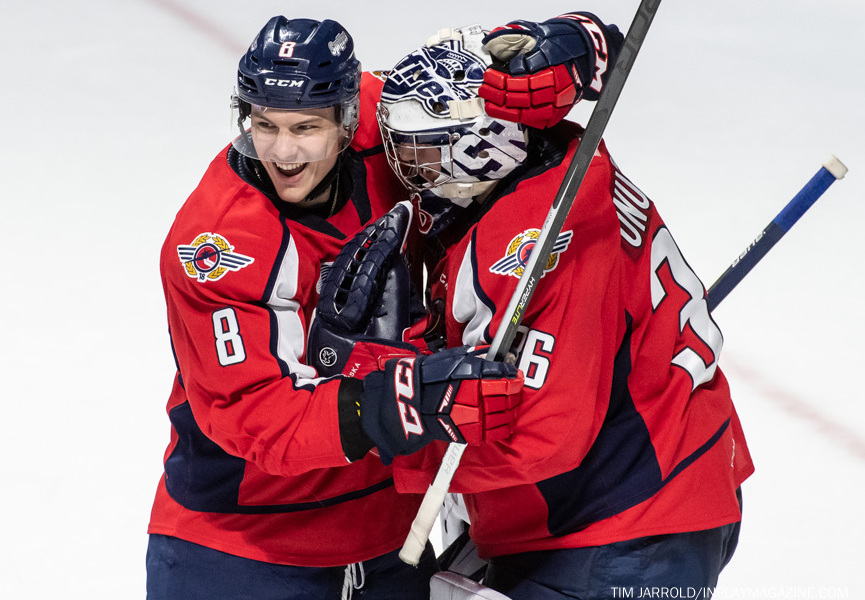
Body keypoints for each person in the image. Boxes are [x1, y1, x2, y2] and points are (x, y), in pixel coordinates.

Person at [319, 13, 755, 599]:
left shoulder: (531, 246)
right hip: (629, 490)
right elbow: (538, 56)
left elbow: (544, 433)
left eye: (421, 152)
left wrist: (384, 437)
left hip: (624, 525)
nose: (405, 170)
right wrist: (575, 37)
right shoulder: (551, 155)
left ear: (479, 146)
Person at [145, 15, 523, 600]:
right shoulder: (218, 245)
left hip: (389, 539)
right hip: (244, 552)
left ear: (348, 121)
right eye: (264, 124)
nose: (283, 152)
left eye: (305, 127)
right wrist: (401, 399)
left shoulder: (381, 125)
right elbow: (255, 415)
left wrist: (542, 53)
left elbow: (463, 91)